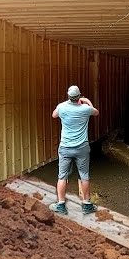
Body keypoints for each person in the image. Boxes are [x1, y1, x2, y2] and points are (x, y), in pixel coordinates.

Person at [49, 85, 99, 215]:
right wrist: (87, 101)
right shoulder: (85, 109)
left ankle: (60, 205)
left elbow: (54, 115)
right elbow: (96, 112)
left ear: (68, 95)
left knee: (62, 176)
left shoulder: (62, 107)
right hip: (82, 148)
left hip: (65, 147)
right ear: (79, 96)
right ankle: (87, 205)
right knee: (84, 175)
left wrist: (66, 103)